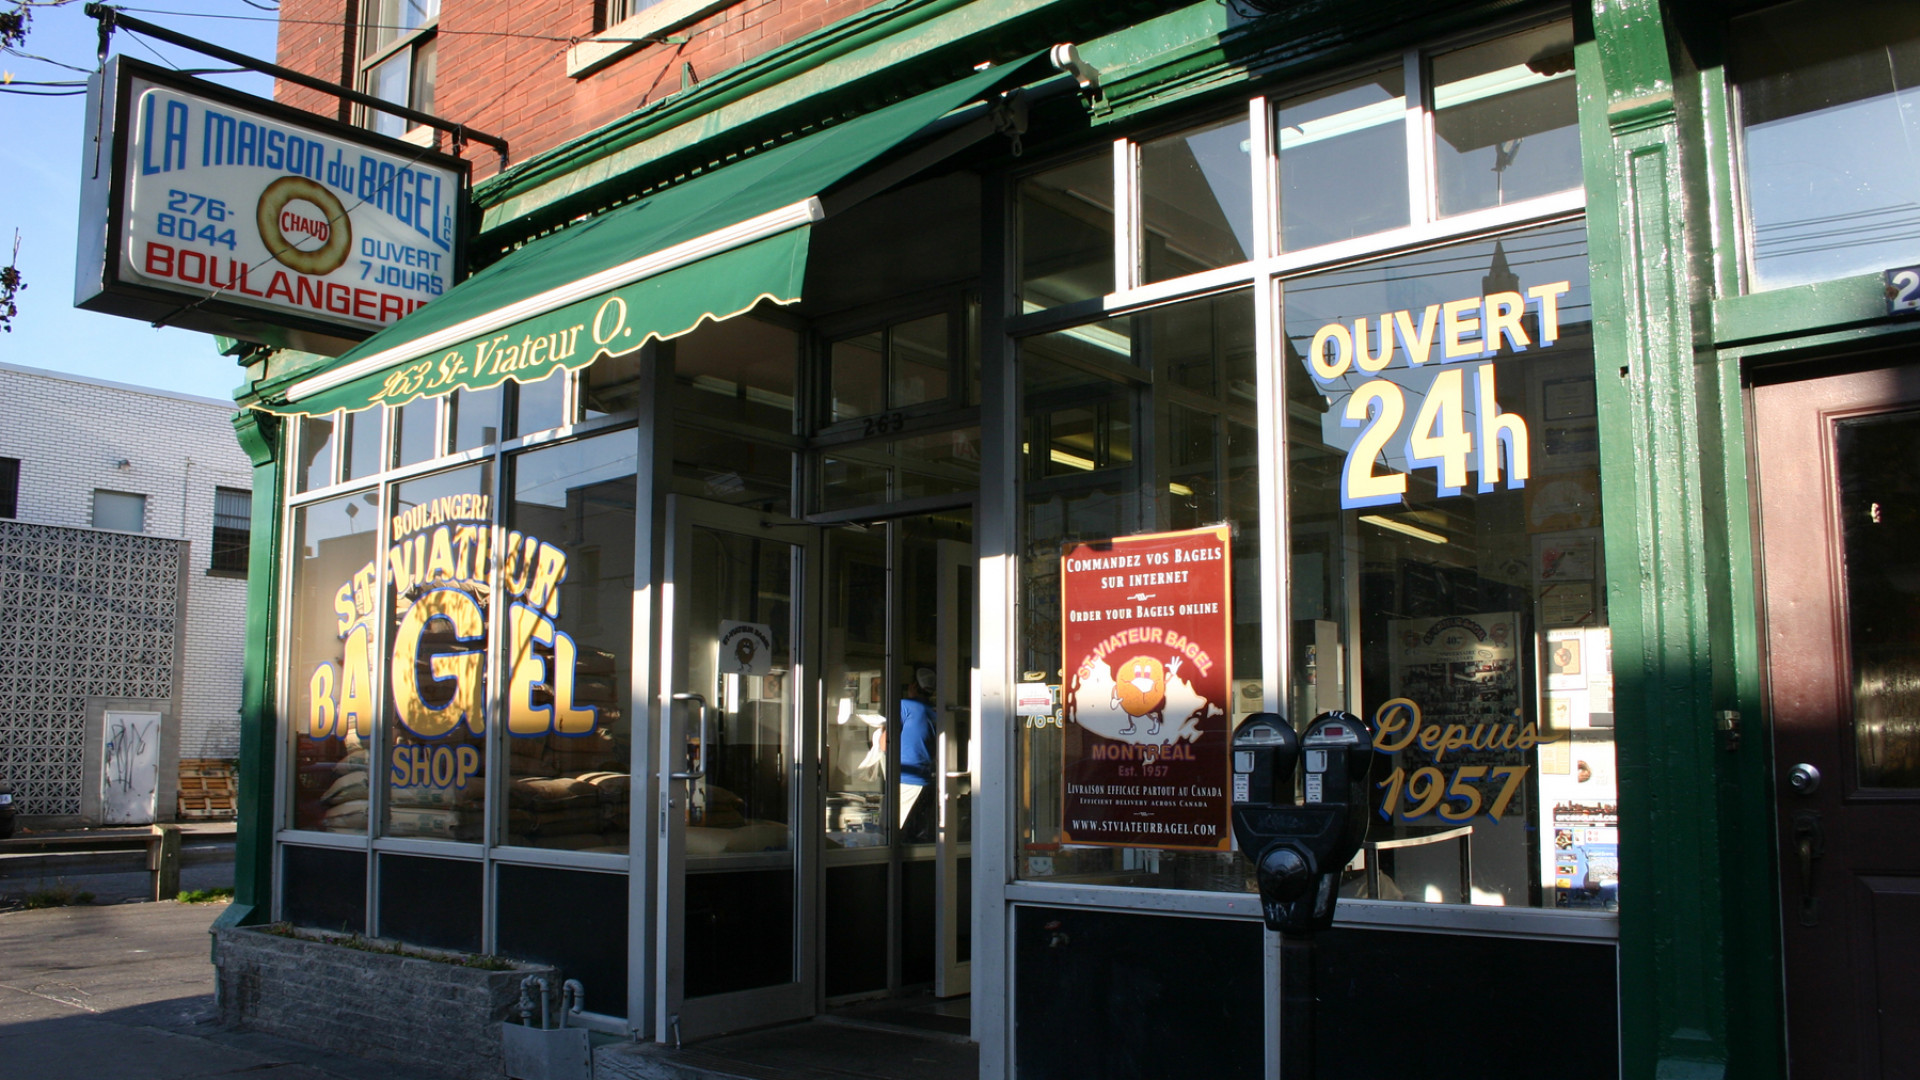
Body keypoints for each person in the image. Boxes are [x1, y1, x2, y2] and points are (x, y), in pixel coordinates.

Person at [896, 667, 939, 842]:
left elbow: (885, 742)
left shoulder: (906, 706)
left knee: (894, 832)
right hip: (927, 780)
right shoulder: (937, 712)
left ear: (914, 685)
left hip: (905, 780)